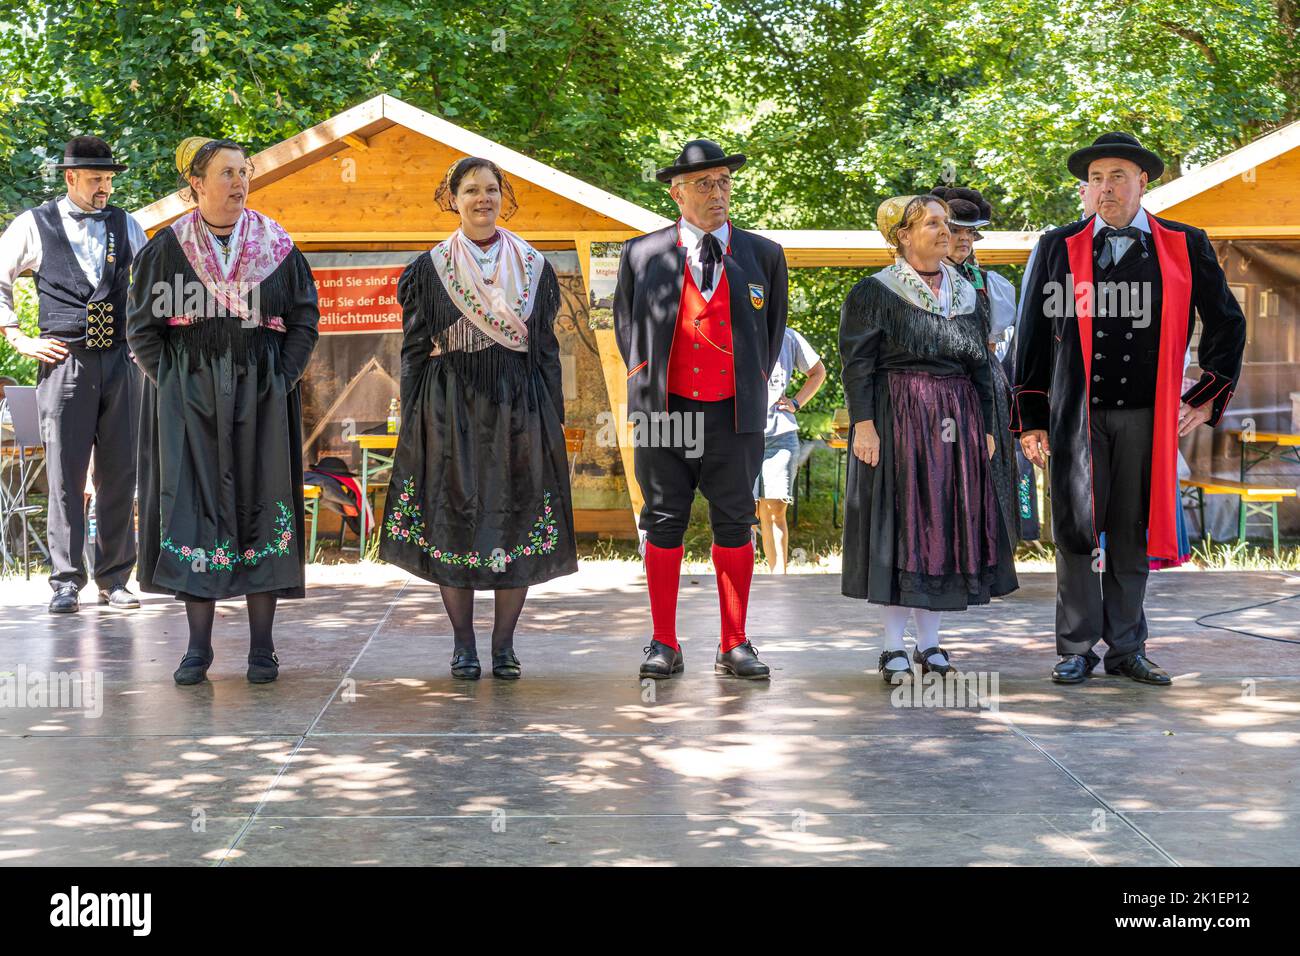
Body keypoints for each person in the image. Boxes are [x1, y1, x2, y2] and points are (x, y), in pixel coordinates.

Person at [1012, 132, 1247, 686]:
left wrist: (1203, 398)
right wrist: (1032, 418)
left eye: (1117, 176)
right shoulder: (1058, 245)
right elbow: (1034, 336)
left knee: (1131, 531)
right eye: (1095, 179)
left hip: (1147, 414)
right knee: (1075, 528)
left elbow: (1227, 322)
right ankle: (1074, 648)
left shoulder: (1185, 244)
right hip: (1077, 415)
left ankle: (1126, 648)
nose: (1105, 187)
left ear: (1143, 182)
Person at [127, 137, 320, 685]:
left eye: (244, 173)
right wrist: (176, 384)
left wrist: (281, 377)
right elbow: (143, 329)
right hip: (191, 397)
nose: (239, 183)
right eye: (227, 173)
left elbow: (304, 319)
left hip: (261, 391)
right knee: (196, 505)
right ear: (197, 182)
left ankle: (263, 650)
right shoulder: (166, 249)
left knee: (262, 503)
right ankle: (197, 650)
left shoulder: (277, 245)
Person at [379, 157, 577, 681]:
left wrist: (553, 419)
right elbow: (415, 349)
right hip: (450, 409)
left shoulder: (534, 266)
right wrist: (414, 417)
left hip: (520, 407)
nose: (482, 198)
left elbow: (547, 350)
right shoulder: (430, 268)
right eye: (471, 190)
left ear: (502, 197)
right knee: (454, 518)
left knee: (518, 515)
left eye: (491, 189)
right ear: (454, 198)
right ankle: (463, 645)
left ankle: (504, 645)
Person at [614, 139, 788, 680]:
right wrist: (649, 383)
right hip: (664, 410)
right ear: (677, 192)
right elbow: (627, 329)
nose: (718, 193)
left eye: (724, 183)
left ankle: (734, 642)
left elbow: (772, 330)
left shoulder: (763, 254)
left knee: (735, 521)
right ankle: (663, 642)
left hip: (734, 413)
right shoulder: (642, 254)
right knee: (663, 522)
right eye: (704, 185)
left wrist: (753, 382)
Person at [839, 195, 1018, 682]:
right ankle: (892, 647)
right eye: (933, 223)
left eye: (947, 224)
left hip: (956, 421)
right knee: (903, 528)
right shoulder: (873, 293)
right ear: (902, 235)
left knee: (943, 523)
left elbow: (981, 365)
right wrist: (864, 424)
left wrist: (985, 427)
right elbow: (857, 366)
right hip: (899, 418)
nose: (946, 232)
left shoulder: (967, 293)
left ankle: (932, 644)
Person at [0, 136, 146, 613]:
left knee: (121, 472)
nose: (105, 187)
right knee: (63, 474)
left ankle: (115, 578)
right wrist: (18, 337)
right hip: (65, 361)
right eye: (96, 179)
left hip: (121, 361)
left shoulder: (126, 224)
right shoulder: (33, 224)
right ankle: (65, 580)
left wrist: (147, 348)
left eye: (108, 179)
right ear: (70, 178)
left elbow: (149, 287)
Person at [932, 185, 1020, 549]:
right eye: (956, 232)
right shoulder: (914, 282)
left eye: (970, 233)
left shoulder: (989, 284)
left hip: (982, 387)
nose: (964, 239)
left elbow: (991, 343)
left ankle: (989, 553)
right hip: (935, 389)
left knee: (988, 465)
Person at [754, 326, 825, 572]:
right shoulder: (732, 328)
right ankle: (743, 581)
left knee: (775, 509)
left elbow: (817, 372)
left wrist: (795, 402)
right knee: (741, 513)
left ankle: (778, 580)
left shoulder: (788, 336)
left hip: (780, 436)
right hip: (740, 436)